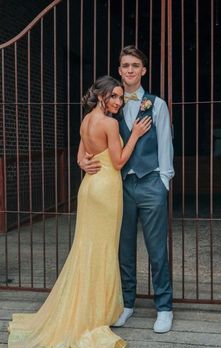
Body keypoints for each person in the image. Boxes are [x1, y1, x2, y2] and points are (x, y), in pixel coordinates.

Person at [8, 75, 151, 348]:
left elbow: (80, 155)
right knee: (101, 250)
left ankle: (90, 307)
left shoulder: (86, 120)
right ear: (101, 96)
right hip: (106, 188)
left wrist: (82, 163)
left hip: (88, 187)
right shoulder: (110, 124)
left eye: (121, 98)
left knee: (86, 248)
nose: (118, 102)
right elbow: (120, 160)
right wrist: (135, 133)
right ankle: (93, 315)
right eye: (113, 96)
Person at [80, 46, 174, 333]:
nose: (130, 70)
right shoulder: (111, 106)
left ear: (143, 70)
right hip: (119, 187)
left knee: (157, 249)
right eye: (125, 65)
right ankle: (128, 304)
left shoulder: (156, 104)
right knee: (124, 250)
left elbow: (165, 144)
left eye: (135, 65)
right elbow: (92, 139)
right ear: (119, 71)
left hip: (150, 183)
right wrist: (84, 160)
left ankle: (164, 307)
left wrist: (163, 181)